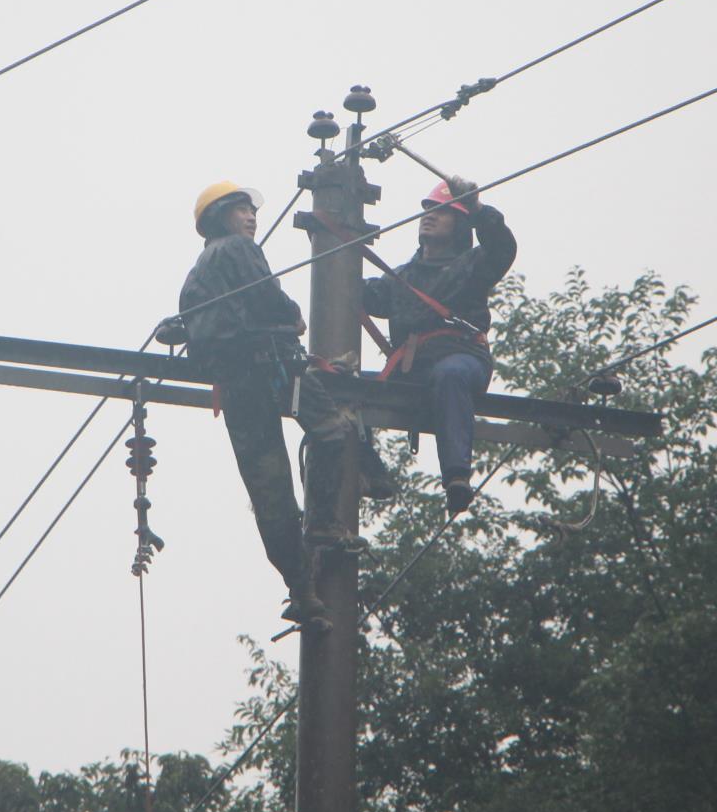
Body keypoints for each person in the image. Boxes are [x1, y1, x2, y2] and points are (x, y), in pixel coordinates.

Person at [166, 181, 388, 626]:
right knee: (332, 431)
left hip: (238, 386)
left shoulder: (199, 271)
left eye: (252, 211)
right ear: (221, 217)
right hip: (272, 368)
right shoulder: (236, 249)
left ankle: (301, 589)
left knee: (271, 492)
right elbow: (265, 292)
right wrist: (293, 315)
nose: (251, 218)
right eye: (241, 210)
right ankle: (322, 524)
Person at [364, 175, 517, 515]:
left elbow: (501, 248)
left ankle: (456, 476)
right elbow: (357, 292)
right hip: (415, 370)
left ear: (461, 224)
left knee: (450, 374)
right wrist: (332, 246)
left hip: (462, 358)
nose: (429, 216)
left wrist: (478, 209)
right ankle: (368, 470)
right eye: (427, 210)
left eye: (442, 211)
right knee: (349, 389)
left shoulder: (473, 266)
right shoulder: (402, 278)